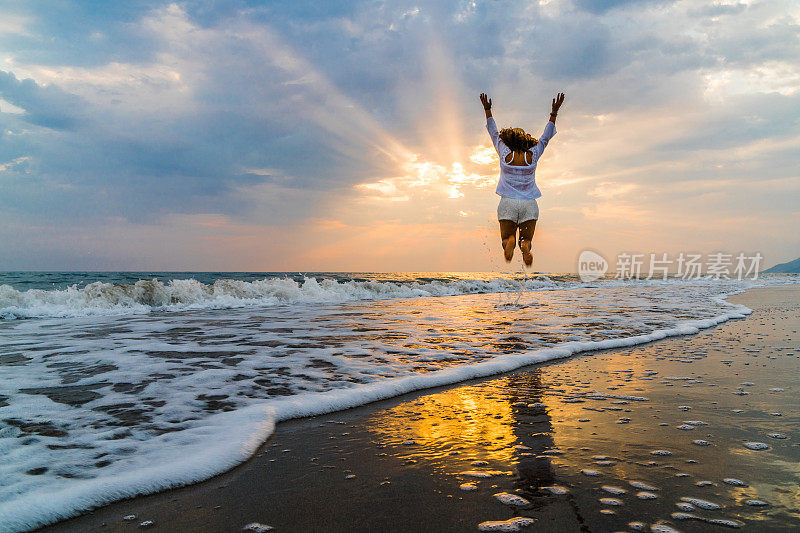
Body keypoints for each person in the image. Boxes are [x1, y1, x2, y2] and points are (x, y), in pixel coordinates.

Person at [479, 91, 564, 267]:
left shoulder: (504, 154)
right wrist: (554, 113)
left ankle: (509, 241)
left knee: (505, 238)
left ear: (509, 140)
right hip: (529, 204)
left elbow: (493, 133)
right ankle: (525, 247)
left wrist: (487, 110)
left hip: (508, 202)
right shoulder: (533, 155)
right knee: (526, 240)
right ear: (525, 141)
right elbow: (546, 137)